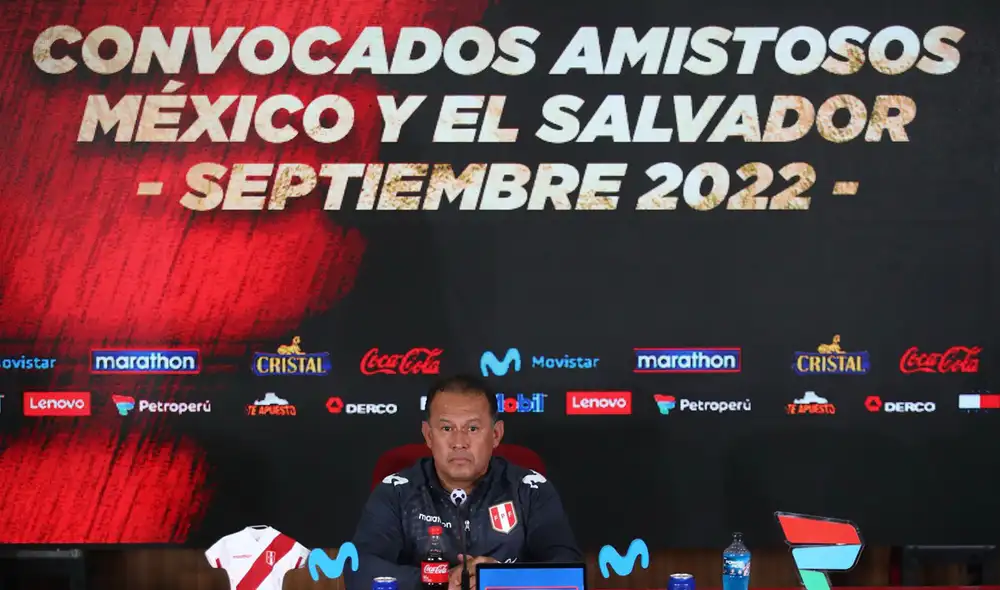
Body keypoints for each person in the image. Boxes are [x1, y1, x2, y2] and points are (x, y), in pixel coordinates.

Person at [346, 374, 582, 590]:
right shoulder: (396, 491)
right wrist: (440, 580)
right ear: (429, 435)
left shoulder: (530, 489)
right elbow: (359, 569)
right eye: (447, 428)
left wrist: (500, 577)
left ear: (496, 434)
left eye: (473, 428)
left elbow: (568, 569)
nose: (459, 442)